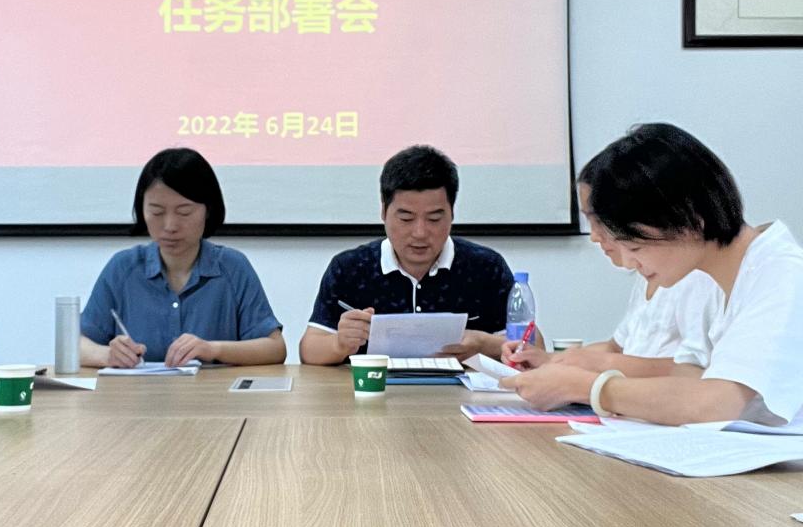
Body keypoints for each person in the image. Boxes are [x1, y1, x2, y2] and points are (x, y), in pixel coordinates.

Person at [502, 123, 803, 426]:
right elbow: (687, 377)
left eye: (635, 246)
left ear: (690, 219)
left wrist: (585, 386)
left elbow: (716, 403)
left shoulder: (781, 272)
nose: (628, 262)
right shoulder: (713, 275)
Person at [299, 144, 519, 366]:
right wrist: (339, 344)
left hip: (459, 387)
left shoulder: (486, 267)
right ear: (384, 212)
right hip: (374, 385)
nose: (420, 233)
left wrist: (484, 344)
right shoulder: (350, 268)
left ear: (452, 213)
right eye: (406, 218)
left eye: (434, 219)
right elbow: (309, 350)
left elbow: (530, 345)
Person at [501, 165, 723, 377]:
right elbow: (616, 348)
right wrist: (550, 360)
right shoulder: (647, 274)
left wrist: (592, 370)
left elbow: (695, 370)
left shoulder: (696, 276)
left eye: (600, 221)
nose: (594, 236)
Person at [80, 148, 285, 367]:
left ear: (208, 210)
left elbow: (275, 348)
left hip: (212, 390)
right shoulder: (123, 268)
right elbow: (76, 344)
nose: (170, 226)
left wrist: (213, 349)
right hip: (138, 390)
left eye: (184, 212)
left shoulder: (232, 267)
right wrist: (107, 355)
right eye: (157, 212)